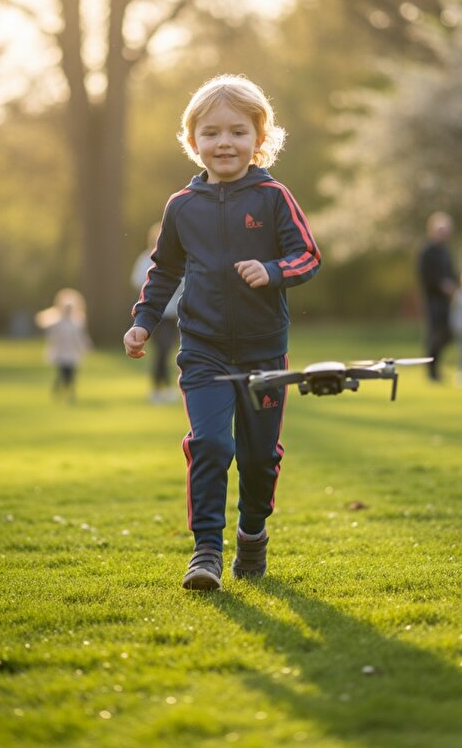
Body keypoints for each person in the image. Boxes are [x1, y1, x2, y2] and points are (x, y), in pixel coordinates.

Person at [123, 73, 321, 591]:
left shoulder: (274, 197)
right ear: (193, 143)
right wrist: (143, 323)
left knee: (259, 457)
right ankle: (206, 550)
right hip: (203, 351)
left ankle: (252, 534)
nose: (224, 142)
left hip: (263, 353)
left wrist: (273, 271)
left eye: (237, 131)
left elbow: (308, 256)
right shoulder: (181, 207)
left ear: (260, 138)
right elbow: (164, 271)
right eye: (211, 133)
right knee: (210, 443)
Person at [131, 223, 183, 404]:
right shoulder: (145, 259)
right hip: (155, 315)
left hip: (171, 314)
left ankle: (165, 387)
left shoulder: (177, 258)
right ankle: (158, 388)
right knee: (161, 351)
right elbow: (138, 282)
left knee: (168, 351)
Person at [417, 212, 457, 381]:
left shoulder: (446, 252)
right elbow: (424, 275)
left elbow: (452, 273)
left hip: (446, 301)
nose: (444, 233)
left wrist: (454, 286)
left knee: (447, 334)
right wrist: (441, 285)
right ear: (432, 230)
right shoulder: (427, 252)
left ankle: (436, 366)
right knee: (434, 334)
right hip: (432, 299)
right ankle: (432, 371)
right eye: (441, 229)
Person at [35, 288, 91, 402]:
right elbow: (51, 335)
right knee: (63, 373)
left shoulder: (76, 323)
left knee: (71, 375)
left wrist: (85, 346)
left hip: (72, 353)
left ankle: (70, 394)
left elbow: (80, 337)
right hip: (61, 352)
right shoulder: (57, 323)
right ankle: (60, 391)